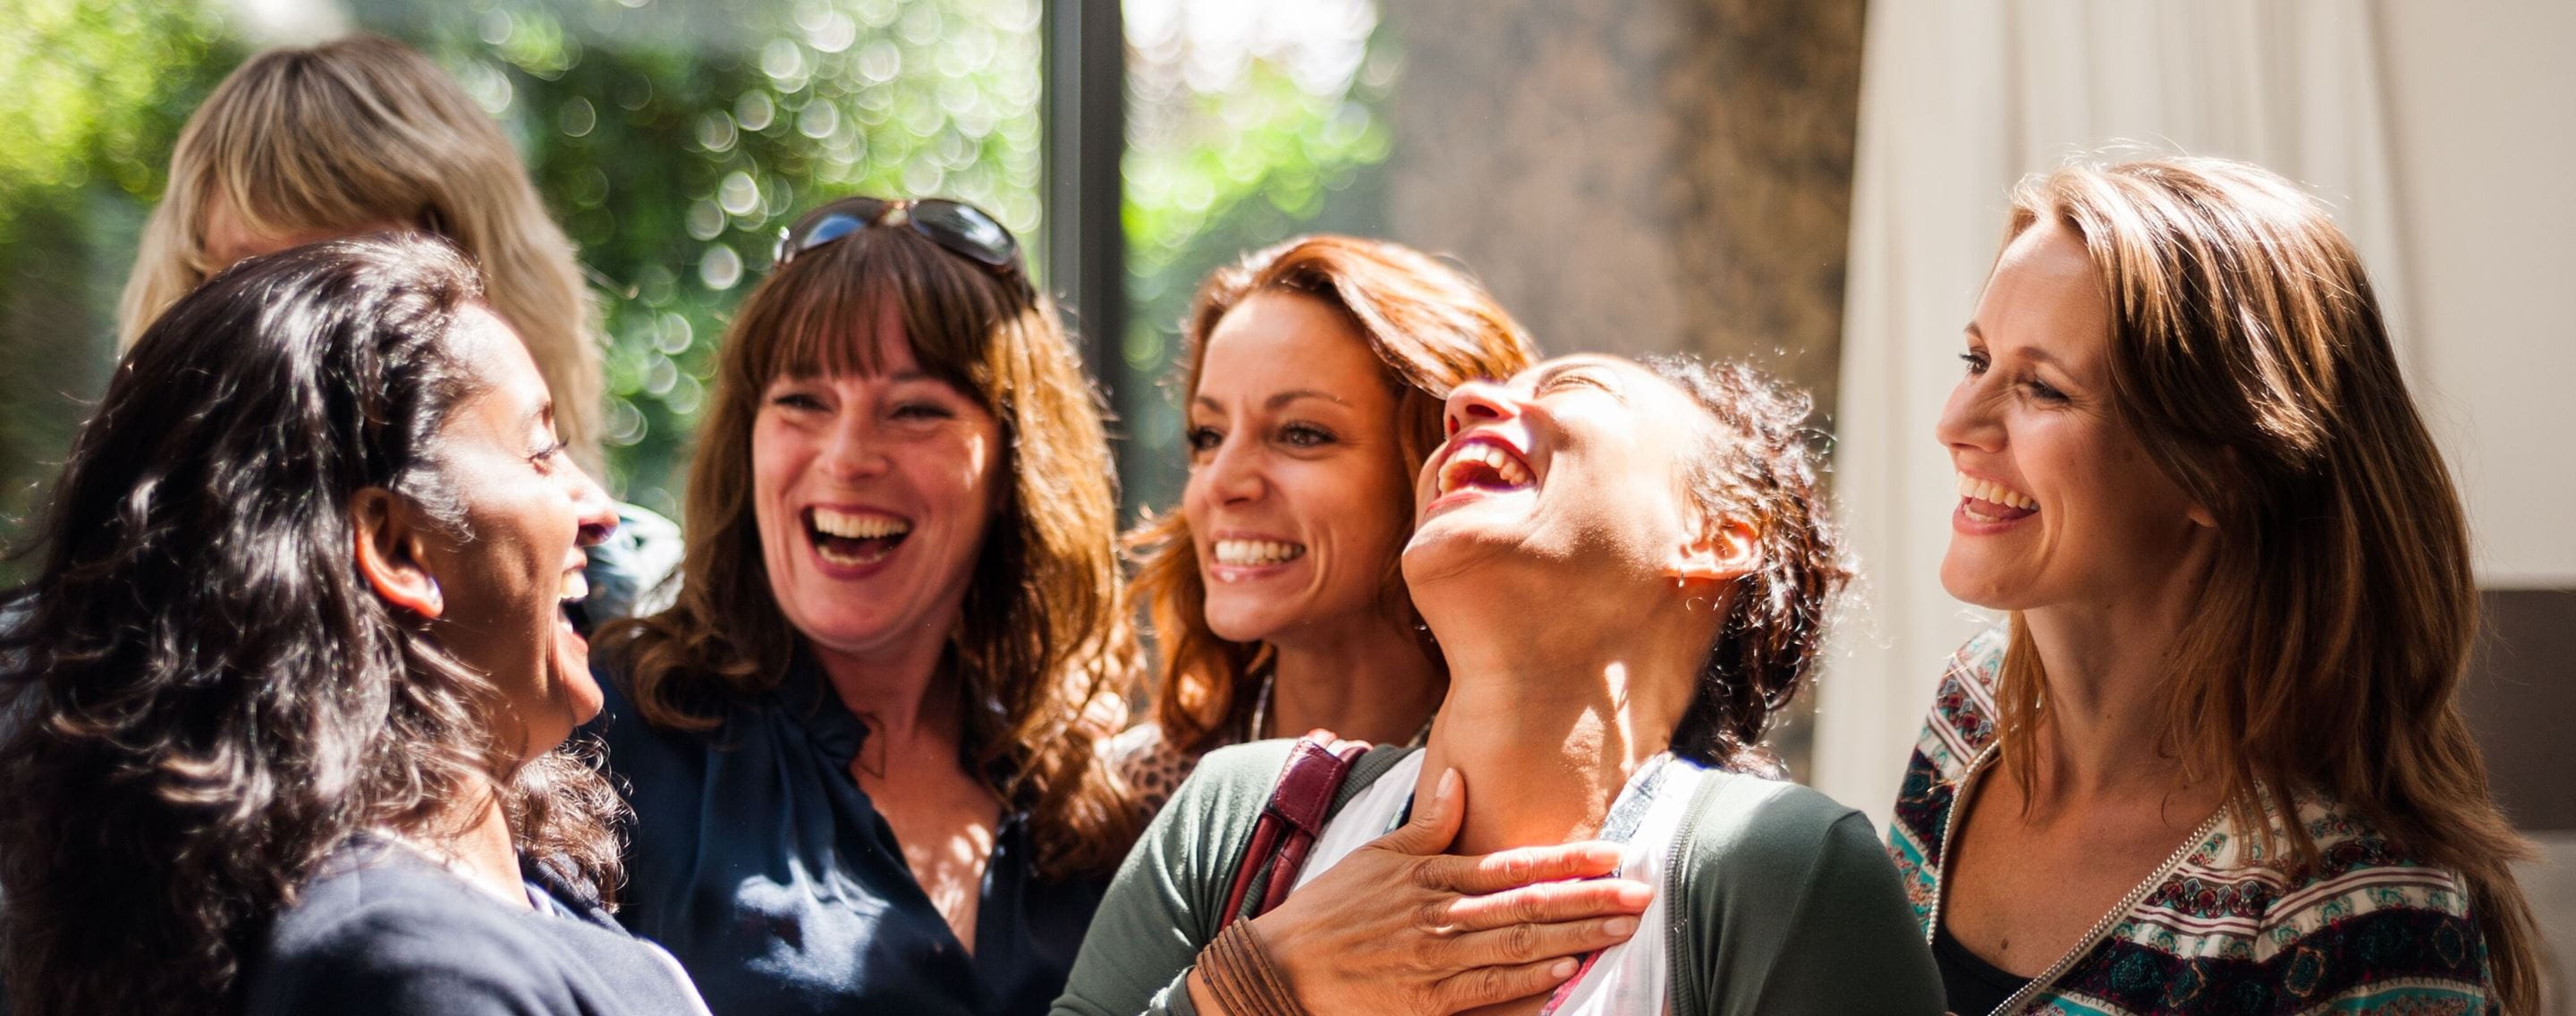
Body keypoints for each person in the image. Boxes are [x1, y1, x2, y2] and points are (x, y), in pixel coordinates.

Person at [1056, 353, 1943, 1016]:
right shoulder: (1239, 815)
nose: (1468, 404)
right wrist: (1256, 981)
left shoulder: (1775, 870)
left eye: (1575, 389)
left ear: (1714, 538)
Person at [1886, 157, 2545, 1015]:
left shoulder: (2363, 910)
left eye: (2042, 388)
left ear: (2214, 476)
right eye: (1975, 359)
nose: (1954, 424)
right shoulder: (1970, 714)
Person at [0, 235, 707, 1016]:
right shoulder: (410, 971)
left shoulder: (499, 902)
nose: (602, 513)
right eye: (540, 452)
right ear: (399, 549)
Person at [589, 196, 1137, 1015]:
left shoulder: (1081, 792)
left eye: (915, 411)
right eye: (803, 401)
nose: (846, 459)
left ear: (1013, 467)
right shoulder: (614, 734)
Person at [114, 32, 679, 624]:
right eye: (264, 284)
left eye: (370, 280)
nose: (314, 331)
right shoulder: (68, 660)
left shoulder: (661, 637)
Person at [1113, 235, 1541, 817]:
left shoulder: (1541, 807)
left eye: (1300, 434)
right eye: (1208, 437)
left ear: (1445, 467)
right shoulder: (1129, 800)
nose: (1220, 483)